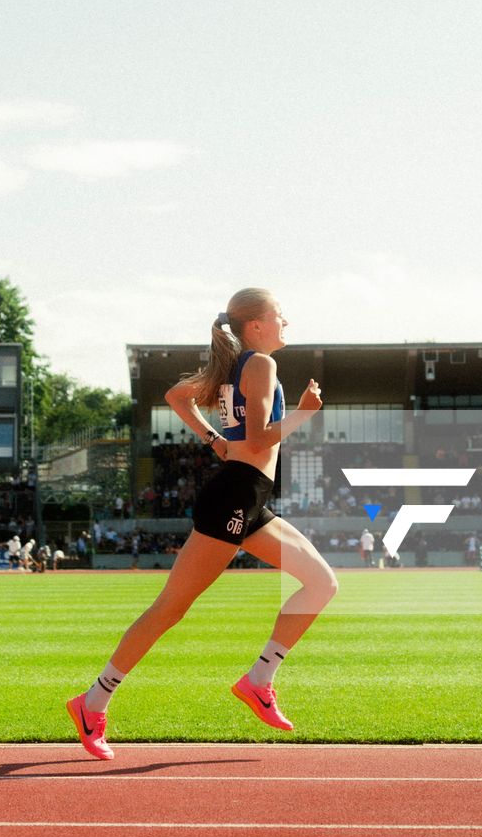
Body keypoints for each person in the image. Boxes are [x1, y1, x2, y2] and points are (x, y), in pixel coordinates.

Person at [68, 289, 335, 760]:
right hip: (235, 495)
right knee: (169, 609)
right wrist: (303, 414)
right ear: (255, 325)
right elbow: (259, 438)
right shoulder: (260, 365)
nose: (286, 322)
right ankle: (92, 703)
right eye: (279, 315)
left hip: (249, 497)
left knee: (321, 582)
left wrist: (215, 440)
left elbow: (176, 397)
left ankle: (259, 680)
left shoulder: (233, 366)